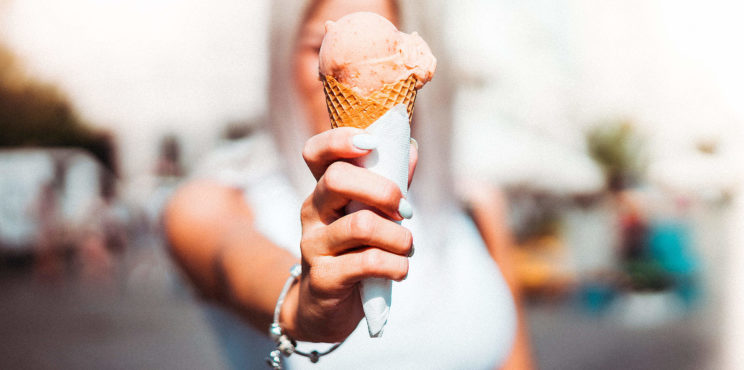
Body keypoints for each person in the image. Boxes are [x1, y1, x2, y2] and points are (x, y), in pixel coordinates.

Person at [164, 0, 534, 368]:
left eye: (388, 51)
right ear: (284, 56)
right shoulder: (212, 201)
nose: (353, 74)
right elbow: (233, 263)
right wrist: (301, 302)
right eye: (316, 47)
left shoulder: (476, 206)